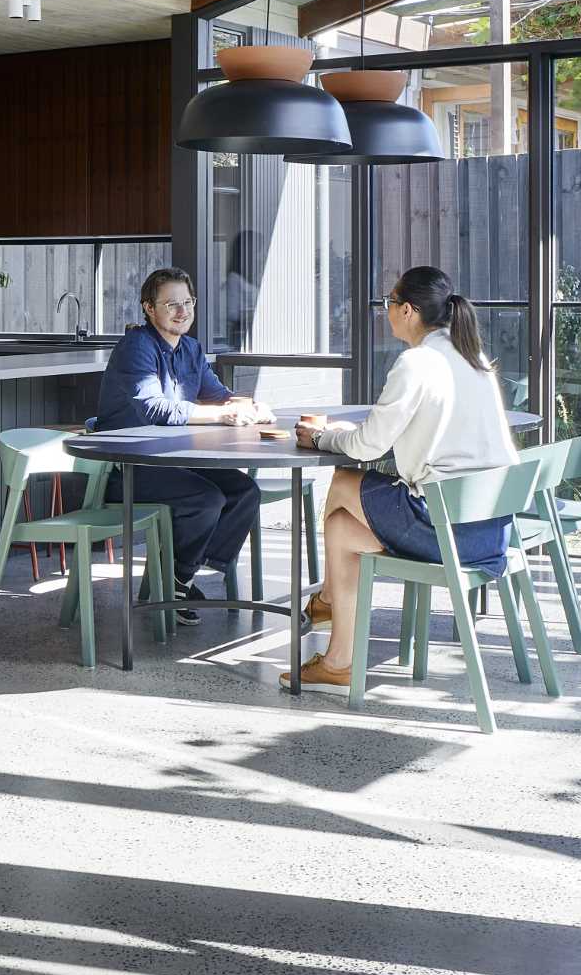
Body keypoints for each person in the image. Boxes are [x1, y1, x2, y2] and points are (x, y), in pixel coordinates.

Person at [288, 266, 516, 689]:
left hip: (446, 528)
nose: (386, 311)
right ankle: (338, 661)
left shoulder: (417, 363)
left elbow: (368, 447)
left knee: (341, 482)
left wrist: (321, 436)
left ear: (407, 310)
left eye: (388, 304)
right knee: (341, 527)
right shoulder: (472, 356)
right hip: (490, 530)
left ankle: (326, 601)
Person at [92, 266, 265, 620]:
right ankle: (179, 578)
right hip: (129, 466)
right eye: (171, 304)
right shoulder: (136, 347)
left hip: (174, 462)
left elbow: (219, 396)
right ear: (148, 308)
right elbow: (154, 408)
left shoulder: (190, 348)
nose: (182, 311)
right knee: (207, 498)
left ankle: (180, 576)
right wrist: (221, 416)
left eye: (188, 302)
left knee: (245, 490)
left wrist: (250, 407)